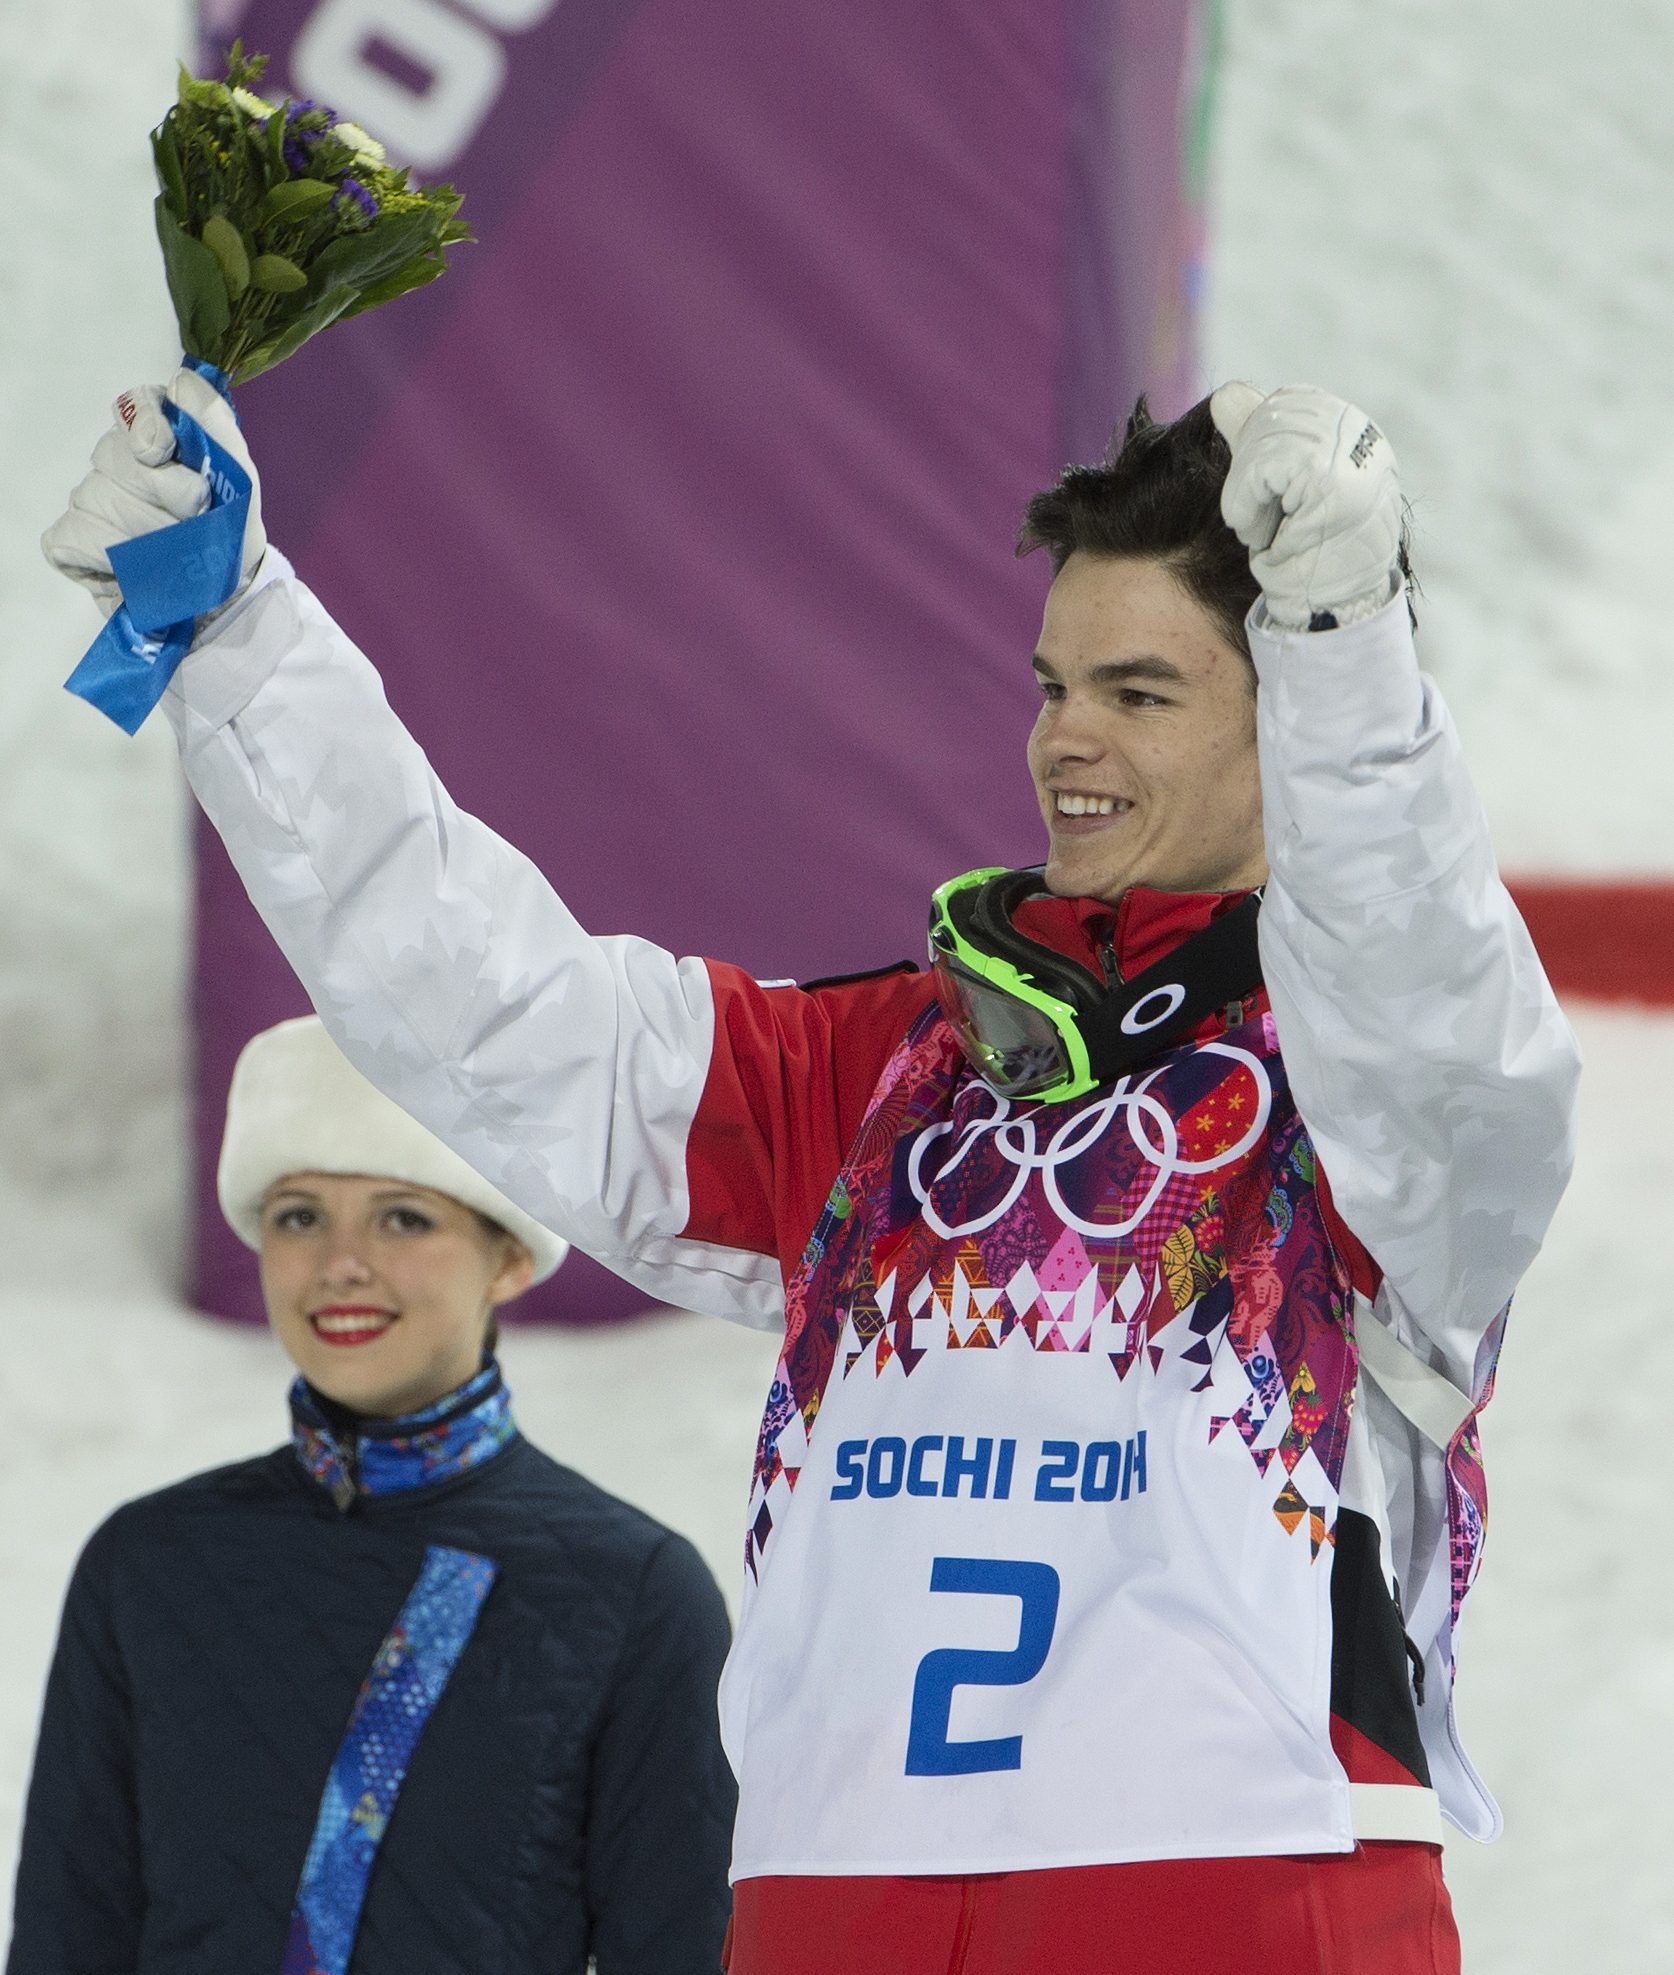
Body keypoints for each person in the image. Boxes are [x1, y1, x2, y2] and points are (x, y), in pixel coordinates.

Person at [44, 371, 1580, 1974]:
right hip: (834, 1890)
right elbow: (492, 1002)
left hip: (1241, 1878)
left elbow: (1444, 1023)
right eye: (1055, 683)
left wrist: (1345, 652)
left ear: (1286, 723)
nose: (1066, 737)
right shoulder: (868, 1074)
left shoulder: (1370, 1095)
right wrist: (236, 643)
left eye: (1139, 694)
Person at [7, 1015, 737, 1975]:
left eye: (403, 1216)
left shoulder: (637, 1592)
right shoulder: (145, 1563)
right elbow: (68, 1940)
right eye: (299, 1215)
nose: (339, 1263)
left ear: (510, 1255)